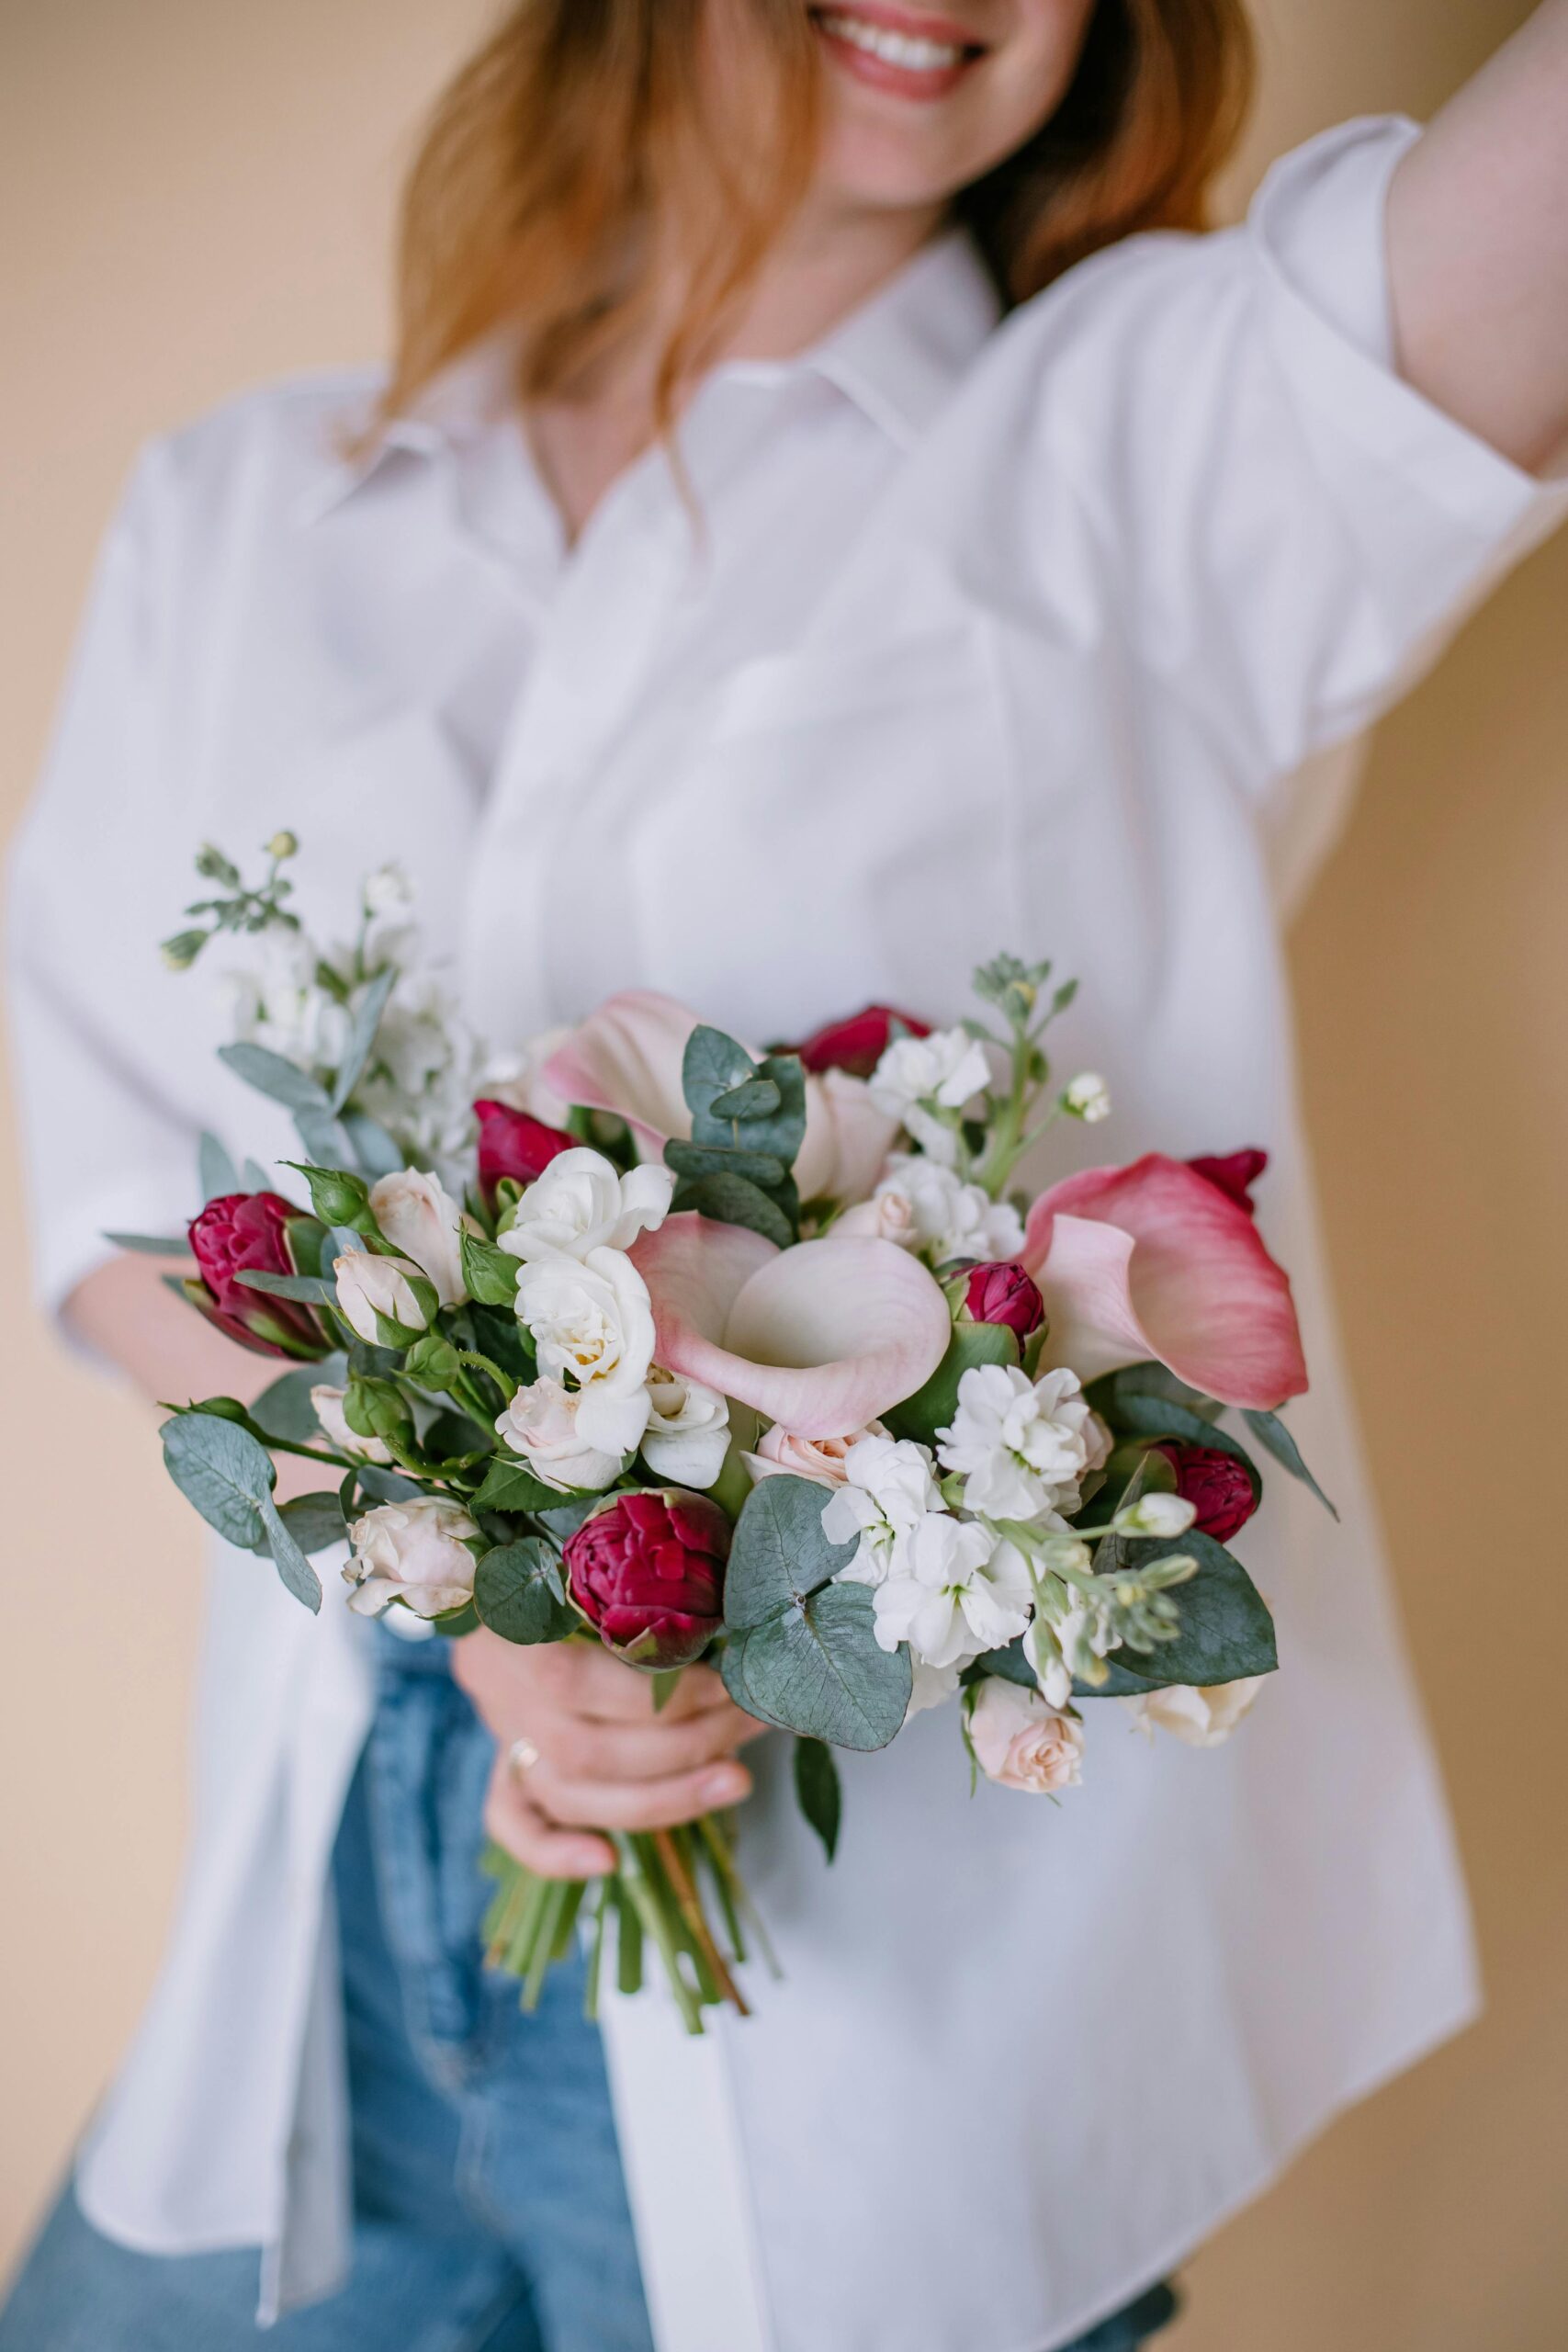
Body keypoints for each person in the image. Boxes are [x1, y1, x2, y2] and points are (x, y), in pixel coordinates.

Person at [4, 4, 1567, 2347]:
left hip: (879, 2037)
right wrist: (469, 1577)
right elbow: (125, 1191)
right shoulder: (247, 509)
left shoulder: (1138, 445)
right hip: (328, 1907)